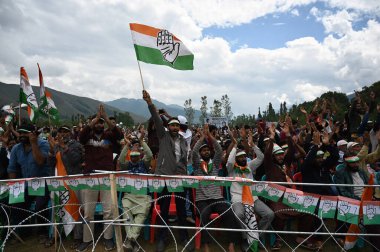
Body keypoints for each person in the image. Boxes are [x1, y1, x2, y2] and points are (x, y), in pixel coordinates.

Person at [142, 90, 193, 252]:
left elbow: (184, 160)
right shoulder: (163, 137)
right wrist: (150, 103)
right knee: (163, 209)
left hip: (179, 179)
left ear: (179, 128)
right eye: (172, 124)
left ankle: (184, 237)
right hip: (164, 177)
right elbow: (157, 120)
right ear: (168, 127)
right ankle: (162, 239)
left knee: (181, 210)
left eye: (177, 125)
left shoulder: (184, 142)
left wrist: (184, 175)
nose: (174, 127)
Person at [77, 104, 120, 252]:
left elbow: (120, 135)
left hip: (107, 175)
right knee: (89, 210)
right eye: (98, 122)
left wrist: (107, 118)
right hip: (90, 176)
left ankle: (108, 239)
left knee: (109, 209)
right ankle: (87, 240)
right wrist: (94, 119)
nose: (99, 124)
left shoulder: (110, 136)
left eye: (101, 122)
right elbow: (80, 137)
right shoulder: (86, 136)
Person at [192, 124, 240, 252]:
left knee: (229, 213)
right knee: (204, 215)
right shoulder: (197, 165)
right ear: (201, 153)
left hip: (217, 198)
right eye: (203, 150)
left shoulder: (215, 164)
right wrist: (202, 137)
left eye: (208, 150)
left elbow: (219, 150)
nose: (206, 151)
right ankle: (206, 245)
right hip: (202, 200)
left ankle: (231, 243)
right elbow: (193, 152)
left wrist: (211, 137)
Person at [226, 132, 274, 250]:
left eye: (243, 156)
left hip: (253, 198)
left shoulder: (249, 166)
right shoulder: (232, 169)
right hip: (238, 199)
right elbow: (230, 162)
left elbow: (261, 158)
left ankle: (255, 237)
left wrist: (253, 145)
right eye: (239, 157)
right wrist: (235, 145)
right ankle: (245, 238)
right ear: (236, 159)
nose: (242, 159)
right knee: (239, 214)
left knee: (269, 214)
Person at [7, 122, 51, 243]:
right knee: (16, 205)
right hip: (25, 184)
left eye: (24, 133)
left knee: (40, 206)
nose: (21, 135)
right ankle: (23, 232)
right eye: (19, 133)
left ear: (33, 134)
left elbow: (40, 161)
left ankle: (43, 232)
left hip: (43, 182)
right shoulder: (16, 148)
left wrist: (33, 143)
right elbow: (12, 169)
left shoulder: (43, 144)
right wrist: (14, 187)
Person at [48, 125, 85, 249]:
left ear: (70, 133)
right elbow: (50, 164)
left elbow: (76, 160)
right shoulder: (56, 145)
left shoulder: (77, 145)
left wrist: (65, 147)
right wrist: (51, 151)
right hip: (58, 183)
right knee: (57, 209)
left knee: (76, 209)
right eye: (61, 131)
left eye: (66, 131)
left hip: (73, 182)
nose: (63, 134)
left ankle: (77, 237)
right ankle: (55, 236)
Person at [119, 127, 153, 252]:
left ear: (140, 154)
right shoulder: (126, 165)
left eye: (136, 154)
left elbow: (149, 154)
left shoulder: (144, 163)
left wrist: (141, 141)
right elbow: (120, 160)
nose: (134, 157)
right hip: (129, 195)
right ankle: (133, 241)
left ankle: (130, 239)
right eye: (132, 155)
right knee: (126, 213)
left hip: (143, 195)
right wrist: (127, 146)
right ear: (130, 155)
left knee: (141, 214)